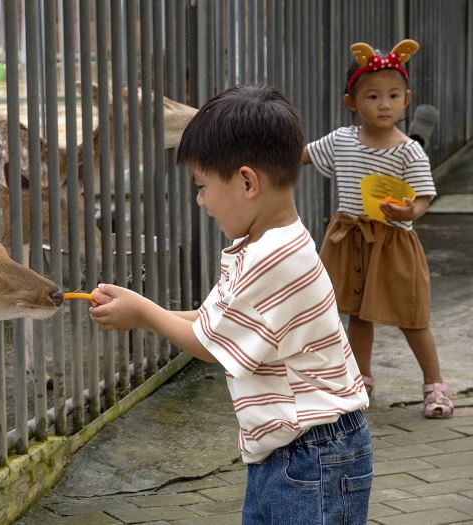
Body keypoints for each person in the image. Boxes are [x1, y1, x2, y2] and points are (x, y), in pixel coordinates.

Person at [89, 85, 371, 525]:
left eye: (202, 187)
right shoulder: (261, 245)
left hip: (313, 454)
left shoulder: (272, 257)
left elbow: (207, 343)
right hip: (290, 452)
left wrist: (144, 312)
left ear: (246, 181)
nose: (200, 200)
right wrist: (144, 311)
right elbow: (216, 322)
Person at [303, 39, 453, 419]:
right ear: (351, 103)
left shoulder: (408, 151)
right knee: (358, 312)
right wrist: (265, 150)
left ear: (406, 99)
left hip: (393, 241)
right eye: (372, 96)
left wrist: (407, 212)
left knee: (411, 316)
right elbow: (301, 156)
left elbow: (422, 197)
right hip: (350, 237)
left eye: (393, 95)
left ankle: (435, 386)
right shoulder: (342, 141)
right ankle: (361, 378)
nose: (383, 104)